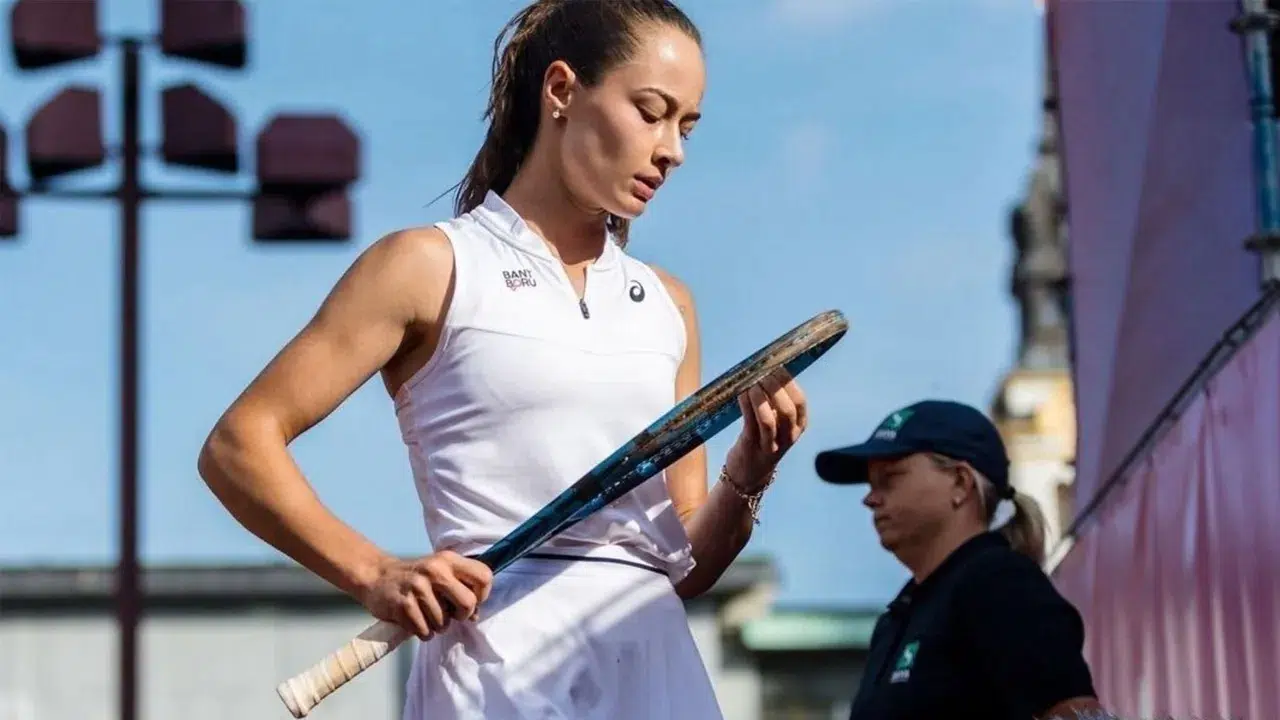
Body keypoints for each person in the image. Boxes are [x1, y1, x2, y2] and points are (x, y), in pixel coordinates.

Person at [197, 1, 807, 718]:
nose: (672, 149)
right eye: (651, 112)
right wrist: (374, 572)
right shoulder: (428, 265)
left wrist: (751, 470)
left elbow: (687, 566)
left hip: (655, 668)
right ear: (561, 91)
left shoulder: (670, 304)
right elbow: (238, 445)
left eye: (687, 126)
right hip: (500, 672)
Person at [815, 399, 1112, 720]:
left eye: (890, 478)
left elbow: (1073, 710)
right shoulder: (896, 621)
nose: (869, 498)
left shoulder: (1000, 583)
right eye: (871, 484)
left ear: (960, 482)